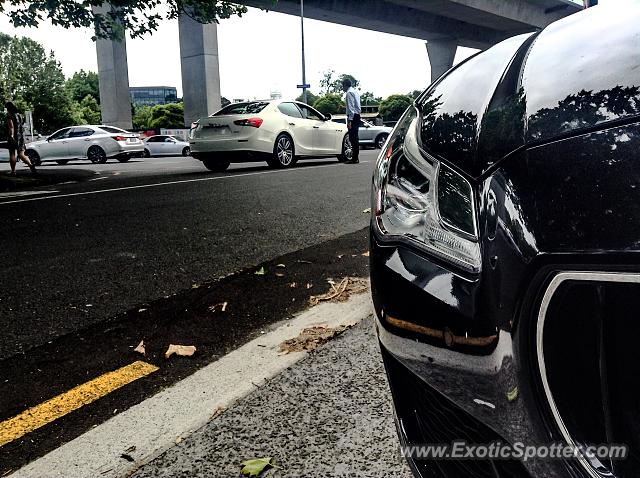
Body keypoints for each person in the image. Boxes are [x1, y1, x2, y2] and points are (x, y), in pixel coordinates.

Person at [5, 101, 36, 175]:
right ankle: (31, 166)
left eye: (6, 108)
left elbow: (11, 127)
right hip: (20, 137)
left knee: (12, 154)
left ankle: (13, 171)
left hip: (14, 137)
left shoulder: (10, 116)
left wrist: (11, 136)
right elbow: (21, 126)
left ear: (9, 108)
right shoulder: (19, 115)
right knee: (21, 154)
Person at [342, 79, 361, 164]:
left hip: (352, 117)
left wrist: (350, 120)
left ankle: (354, 158)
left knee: (352, 138)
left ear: (345, 85)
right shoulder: (355, 92)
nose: (342, 88)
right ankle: (355, 157)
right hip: (357, 116)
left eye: (343, 86)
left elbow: (351, 107)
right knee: (355, 137)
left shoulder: (349, 93)